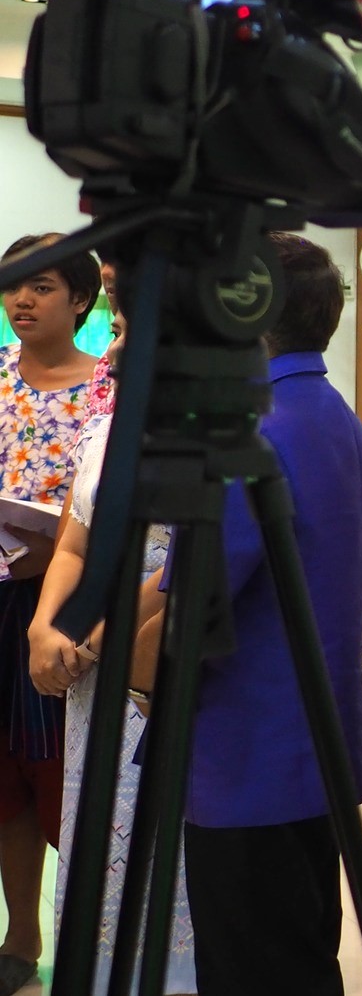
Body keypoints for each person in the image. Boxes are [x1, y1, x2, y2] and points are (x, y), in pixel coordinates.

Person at [153, 232, 362, 996]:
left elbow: (198, 606)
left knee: (252, 966)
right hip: (317, 745)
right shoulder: (338, 420)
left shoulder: (251, 431)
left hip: (245, 757)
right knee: (302, 950)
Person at [26, 273, 198, 994]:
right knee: (99, 834)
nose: (115, 352)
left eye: (128, 334)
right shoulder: (105, 429)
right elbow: (72, 542)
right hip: (89, 676)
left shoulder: (211, 439)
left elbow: (190, 561)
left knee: (166, 838)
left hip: (157, 655)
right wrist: (43, 624)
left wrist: (94, 629)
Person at [0, 233, 103, 994]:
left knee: (61, 770)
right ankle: (20, 934)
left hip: (65, 602)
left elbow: (109, 507)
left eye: (39, 287)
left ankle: (88, 931)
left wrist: (48, 558)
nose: (21, 301)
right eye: (12, 287)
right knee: (2, 773)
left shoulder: (107, 384)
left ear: (82, 298)